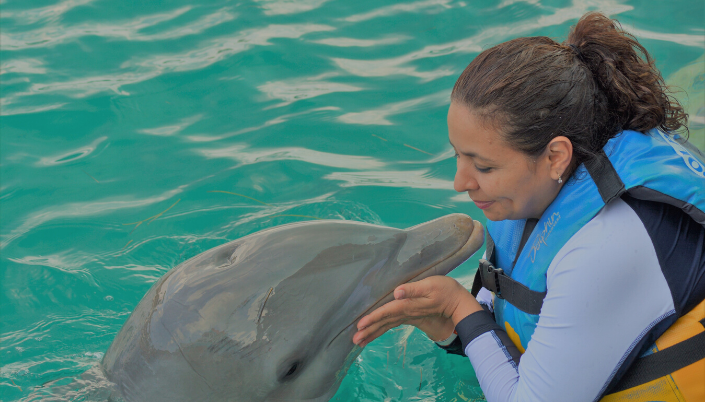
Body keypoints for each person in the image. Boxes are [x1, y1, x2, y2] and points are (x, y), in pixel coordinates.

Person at [352, 12, 705, 402]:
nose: (460, 183)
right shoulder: (536, 196)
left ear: (556, 156)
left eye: (484, 166)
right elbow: (509, 313)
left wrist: (459, 309)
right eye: (458, 157)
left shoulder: (605, 247)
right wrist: (452, 329)